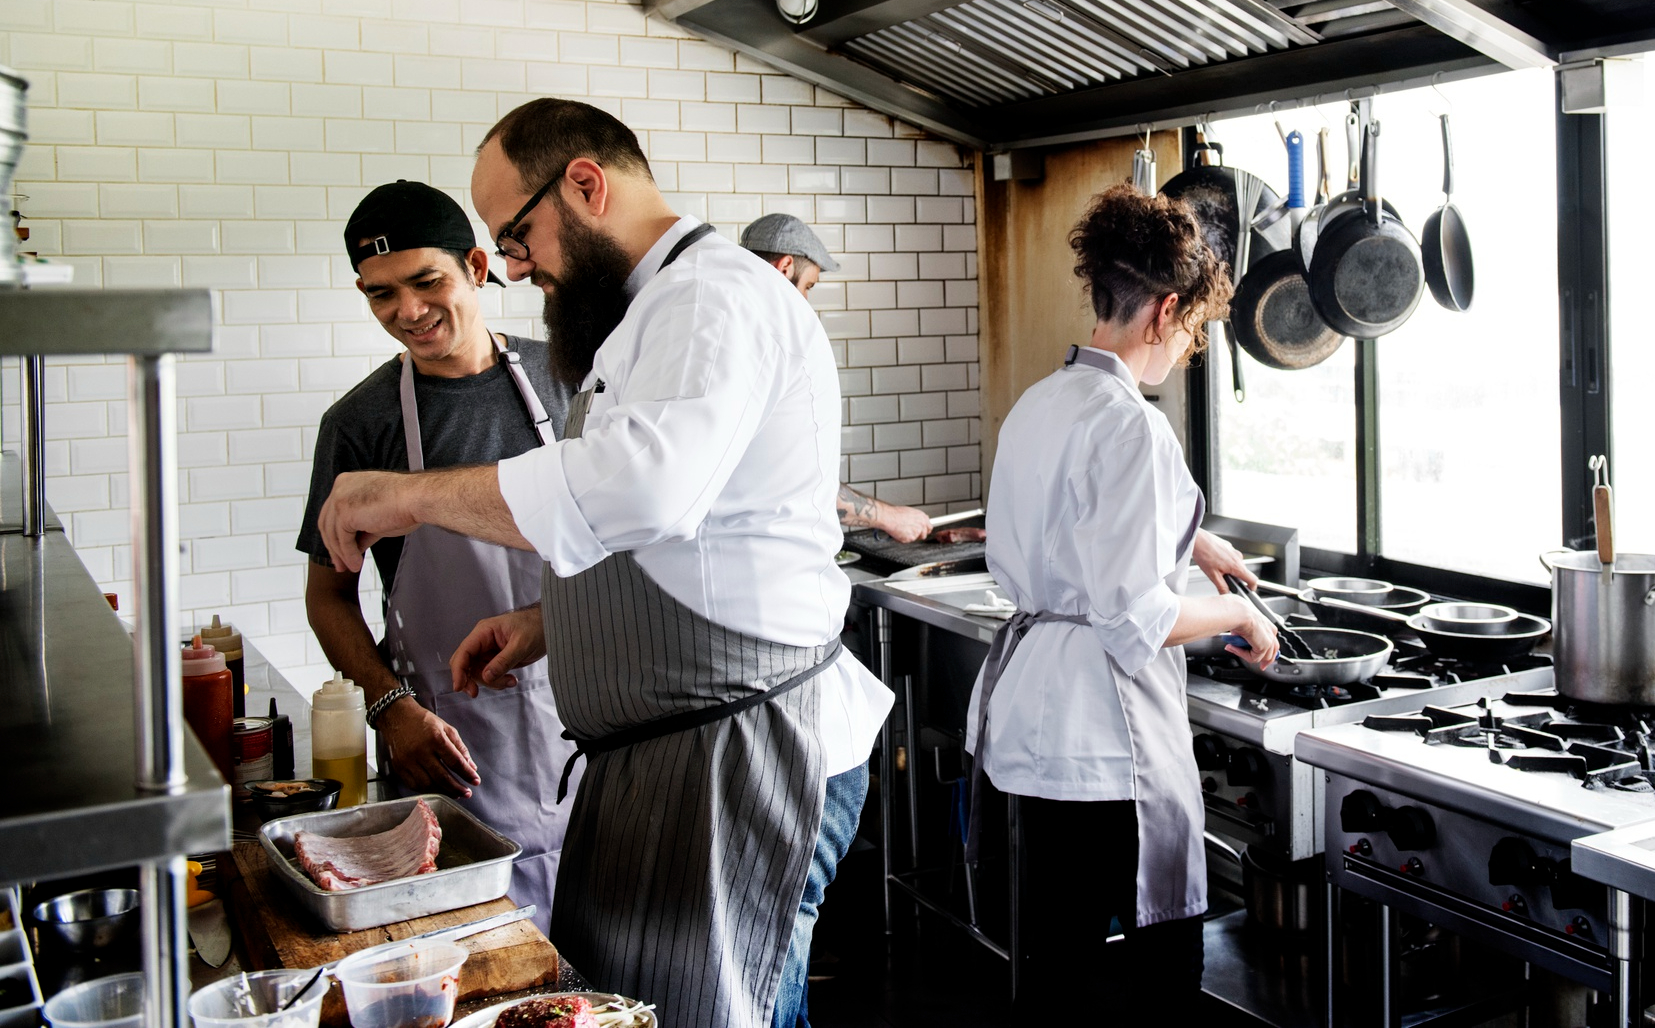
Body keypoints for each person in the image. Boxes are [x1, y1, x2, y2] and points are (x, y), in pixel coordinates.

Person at [314, 100, 890, 1028]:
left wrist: (408, 494)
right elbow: (684, 534)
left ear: (585, 184)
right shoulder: (652, 313)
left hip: (741, 750)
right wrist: (555, 621)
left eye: (517, 234)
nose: (514, 265)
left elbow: (640, 491)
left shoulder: (712, 297)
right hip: (677, 756)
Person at [965, 184, 1280, 1017]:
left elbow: (1064, 540)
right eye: (1195, 329)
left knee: (1053, 974)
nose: (1188, 346)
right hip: (1104, 751)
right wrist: (1242, 616)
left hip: (1029, 732)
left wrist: (1189, 537)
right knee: (1160, 986)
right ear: (1165, 309)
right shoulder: (1134, 424)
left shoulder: (1043, 400)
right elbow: (1139, 618)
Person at [298, 180, 573, 925]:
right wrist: (391, 709)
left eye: (427, 282)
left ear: (477, 266)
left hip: (589, 724)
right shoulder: (360, 423)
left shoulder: (571, 375)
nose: (408, 312)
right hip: (451, 745)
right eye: (380, 294)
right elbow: (328, 595)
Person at [741, 212, 934, 544]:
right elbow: (797, 478)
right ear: (785, 267)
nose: (805, 302)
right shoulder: (774, 349)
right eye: (809, 286)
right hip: (769, 560)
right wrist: (890, 517)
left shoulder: (732, 332)